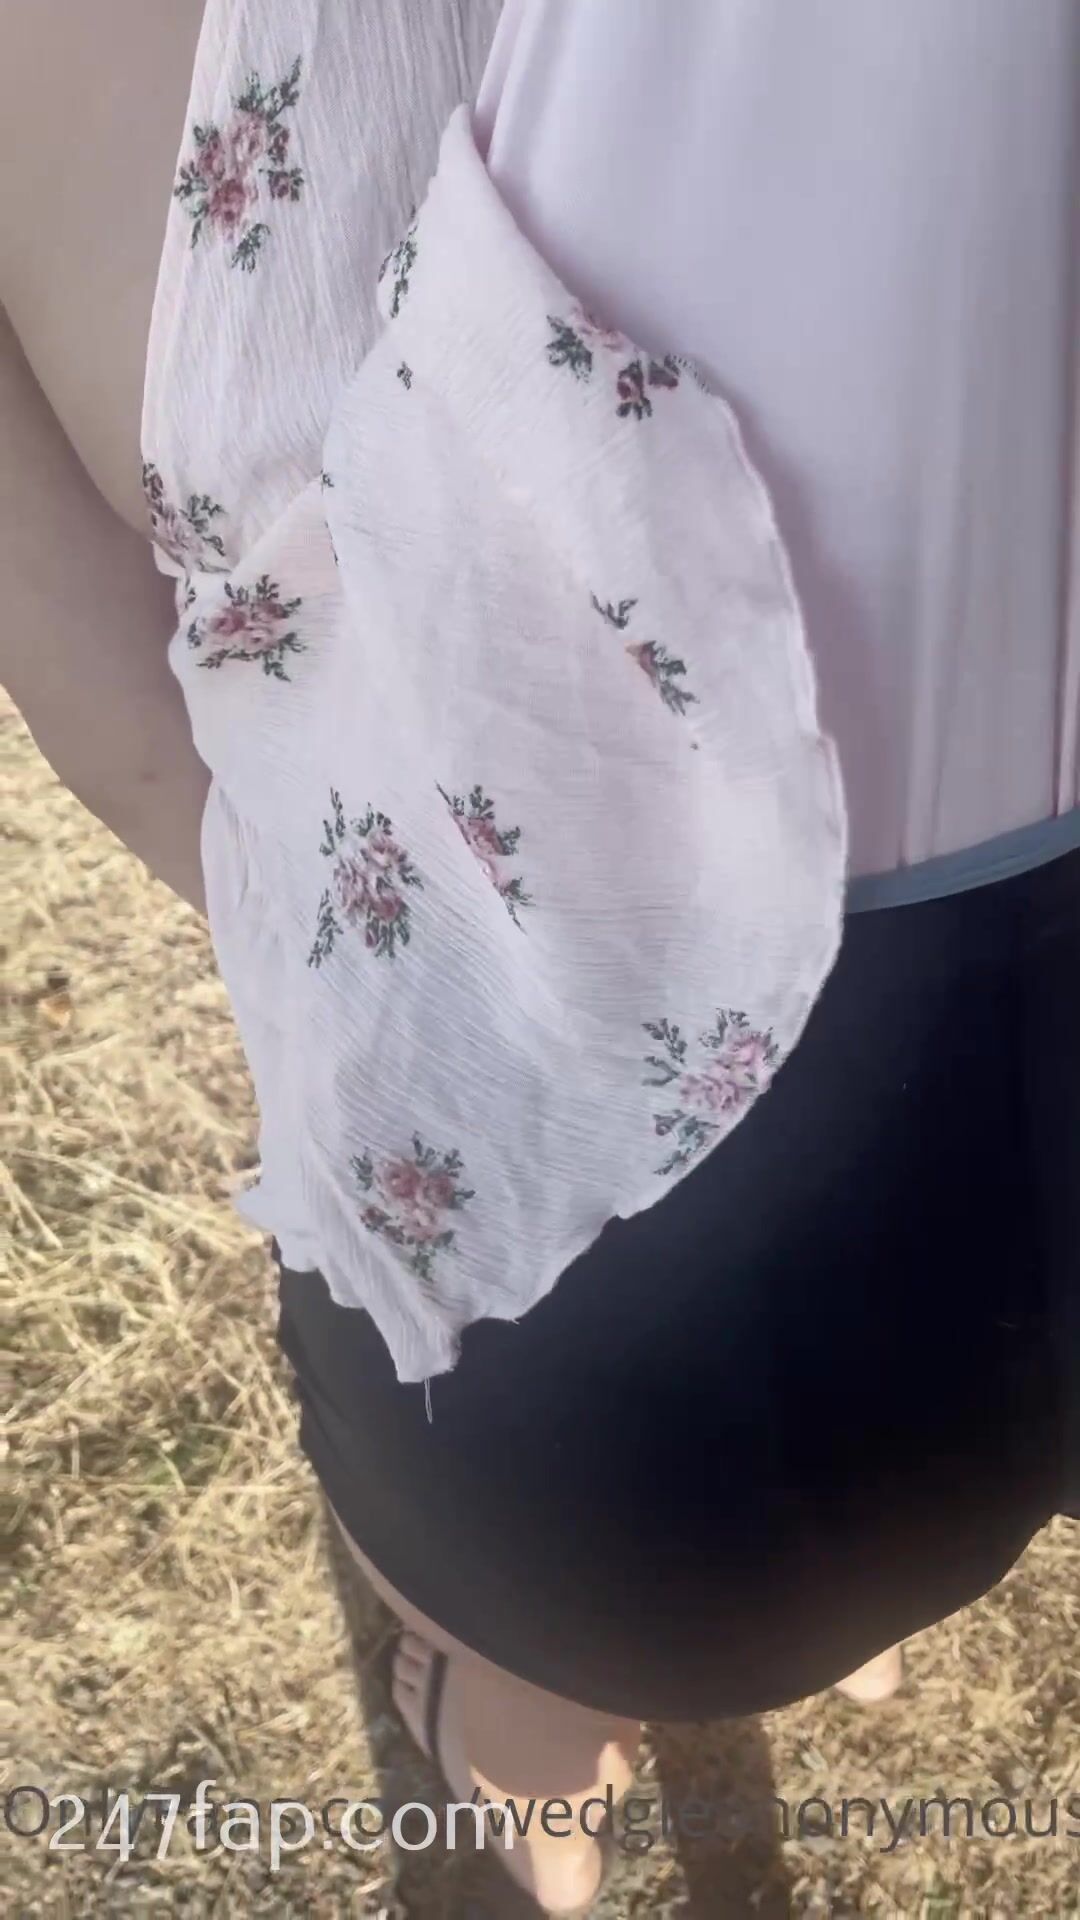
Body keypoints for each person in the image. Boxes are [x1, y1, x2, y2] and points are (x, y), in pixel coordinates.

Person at [4, 4, 1077, 1913]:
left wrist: (388, 970)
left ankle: (546, 1712)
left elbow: (163, 755)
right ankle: (736, 1628)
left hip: (587, 1282)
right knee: (812, 1532)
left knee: (598, 1584)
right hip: (939, 1181)